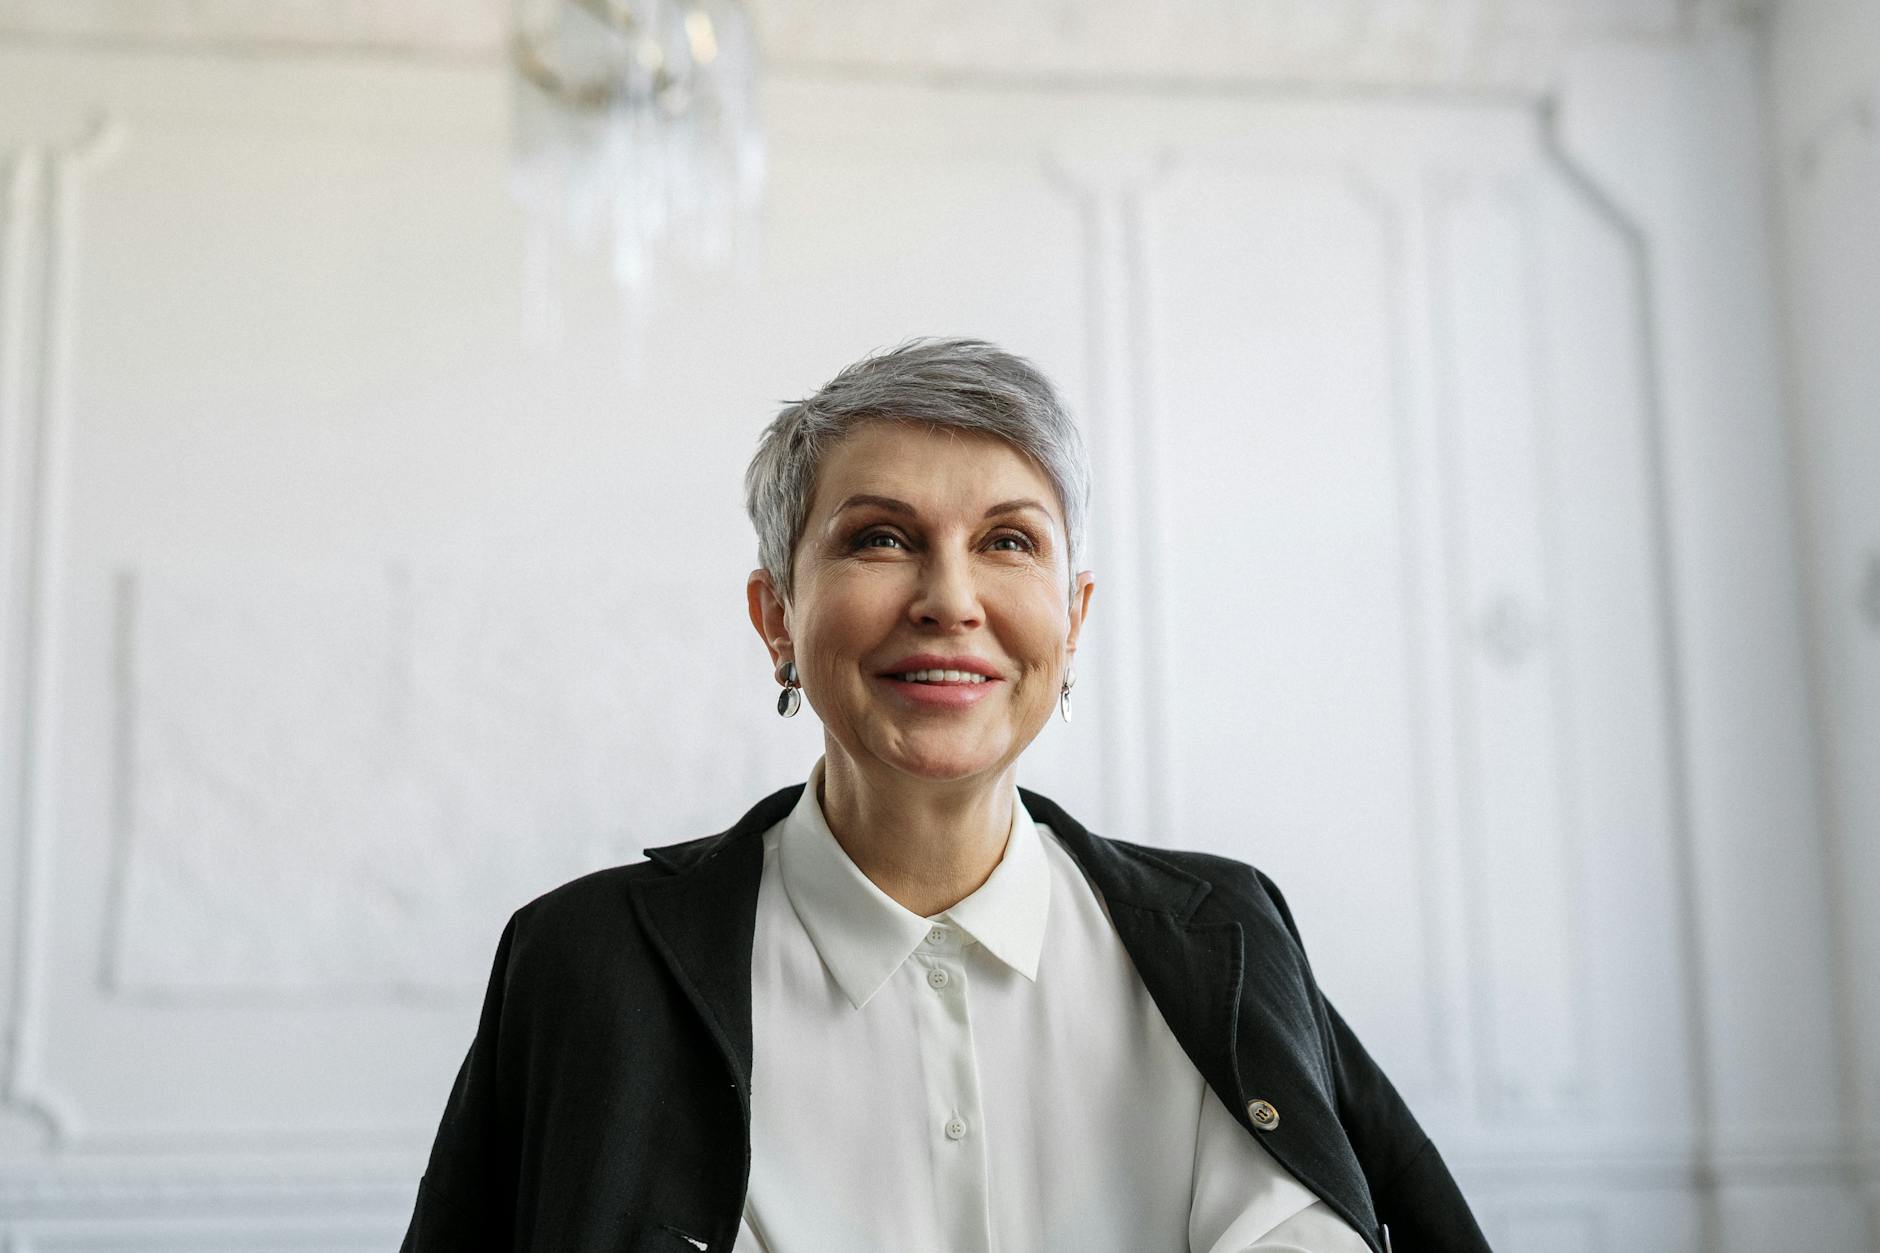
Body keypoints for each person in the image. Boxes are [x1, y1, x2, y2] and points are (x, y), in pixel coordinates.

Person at [400, 338, 1491, 1253]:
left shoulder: (1231, 933)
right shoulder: (581, 960)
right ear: (776, 615)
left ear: (1073, 621)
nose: (949, 599)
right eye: (880, 537)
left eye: (1008, 541)